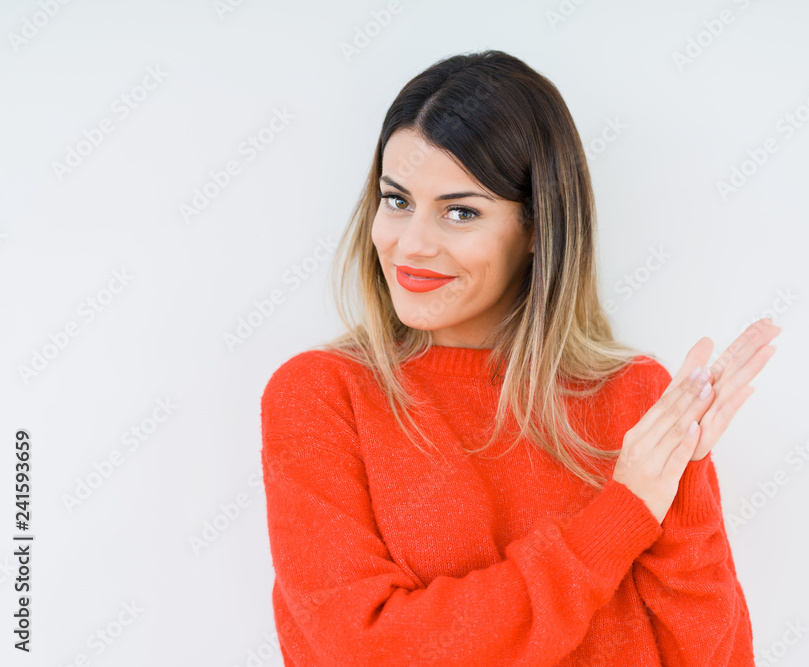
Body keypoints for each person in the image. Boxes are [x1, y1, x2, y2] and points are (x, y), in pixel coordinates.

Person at [259, 49, 781, 666]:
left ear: (538, 228)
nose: (411, 244)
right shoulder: (321, 396)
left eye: (460, 212)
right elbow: (368, 650)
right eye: (397, 201)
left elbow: (714, 656)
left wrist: (682, 473)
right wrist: (621, 515)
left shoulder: (634, 396)